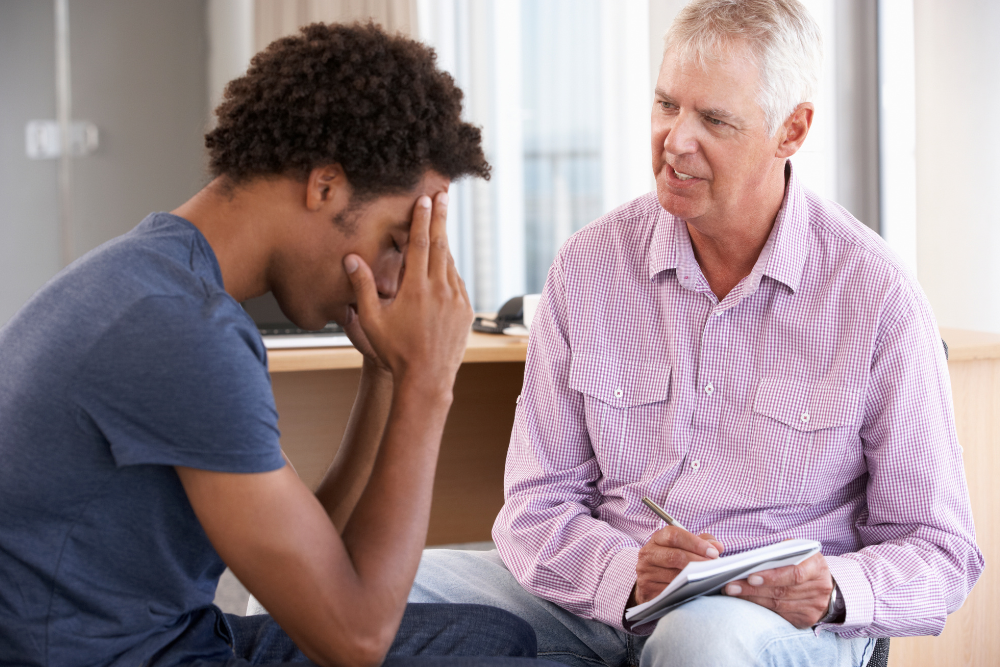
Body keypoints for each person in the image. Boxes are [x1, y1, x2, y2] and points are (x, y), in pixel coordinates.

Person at [409, 1, 984, 666]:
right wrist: (628, 573)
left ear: (791, 130)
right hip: (601, 600)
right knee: (358, 595)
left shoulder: (876, 295)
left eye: (713, 118)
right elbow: (537, 504)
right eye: (666, 105)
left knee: (699, 640)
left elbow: (940, 550)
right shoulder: (588, 266)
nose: (675, 139)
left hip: (774, 624)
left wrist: (831, 589)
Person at [0, 22, 554, 667]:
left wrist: (386, 377)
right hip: (125, 657)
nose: (395, 280)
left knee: (497, 638)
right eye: (396, 241)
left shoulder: (162, 277)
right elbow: (353, 639)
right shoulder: (179, 332)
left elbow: (325, 556)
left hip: (169, 636)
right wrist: (429, 381)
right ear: (324, 186)